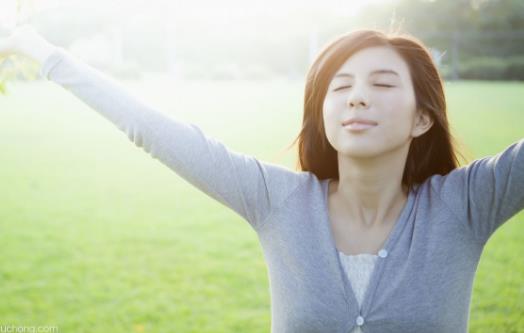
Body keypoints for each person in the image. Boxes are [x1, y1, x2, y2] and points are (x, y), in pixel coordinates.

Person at [1, 25, 523, 333]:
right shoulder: (278, 201)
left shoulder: (466, 204)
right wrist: (39, 50)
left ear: (421, 118)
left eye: (383, 83)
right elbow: (152, 130)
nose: (356, 96)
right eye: (339, 87)